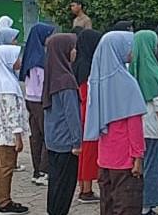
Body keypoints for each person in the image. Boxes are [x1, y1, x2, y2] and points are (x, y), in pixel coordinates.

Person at [85, 30, 146, 215]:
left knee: (108, 205)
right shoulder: (127, 83)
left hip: (105, 158)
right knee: (127, 206)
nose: (132, 51)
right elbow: (134, 125)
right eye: (129, 47)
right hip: (126, 159)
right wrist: (138, 157)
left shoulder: (97, 81)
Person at [0, 27, 32, 214]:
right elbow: (12, 114)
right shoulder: (7, 85)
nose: (19, 61)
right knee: (5, 167)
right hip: (7, 135)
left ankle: (1, 198)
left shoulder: (2, 79)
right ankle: (4, 203)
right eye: (16, 58)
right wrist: (18, 137)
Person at [44, 32, 84, 215]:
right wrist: (77, 142)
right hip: (66, 141)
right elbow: (72, 114)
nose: (75, 51)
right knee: (65, 186)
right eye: (72, 47)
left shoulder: (52, 74)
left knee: (55, 183)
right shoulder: (66, 80)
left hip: (53, 139)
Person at [130, 30, 158, 215]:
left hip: (135, 127)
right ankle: (147, 206)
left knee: (140, 166)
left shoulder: (132, 69)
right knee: (152, 166)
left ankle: (140, 204)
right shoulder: (152, 70)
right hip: (152, 127)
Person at [21, 22, 57, 186]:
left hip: (30, 99)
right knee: (46, 136)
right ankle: (44, 170)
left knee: (35, 136)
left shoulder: (30, 54)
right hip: (40, 101)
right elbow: (44, 83)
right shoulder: (40, 59)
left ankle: (37, 170)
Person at [74, 29, 104, 205]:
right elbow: (86, 94)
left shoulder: (78, 63)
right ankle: (86, 190)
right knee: (89, 154)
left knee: (84, 154)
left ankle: (83, 187)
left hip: (80, 114)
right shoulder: (88, 66)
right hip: (87, 115)